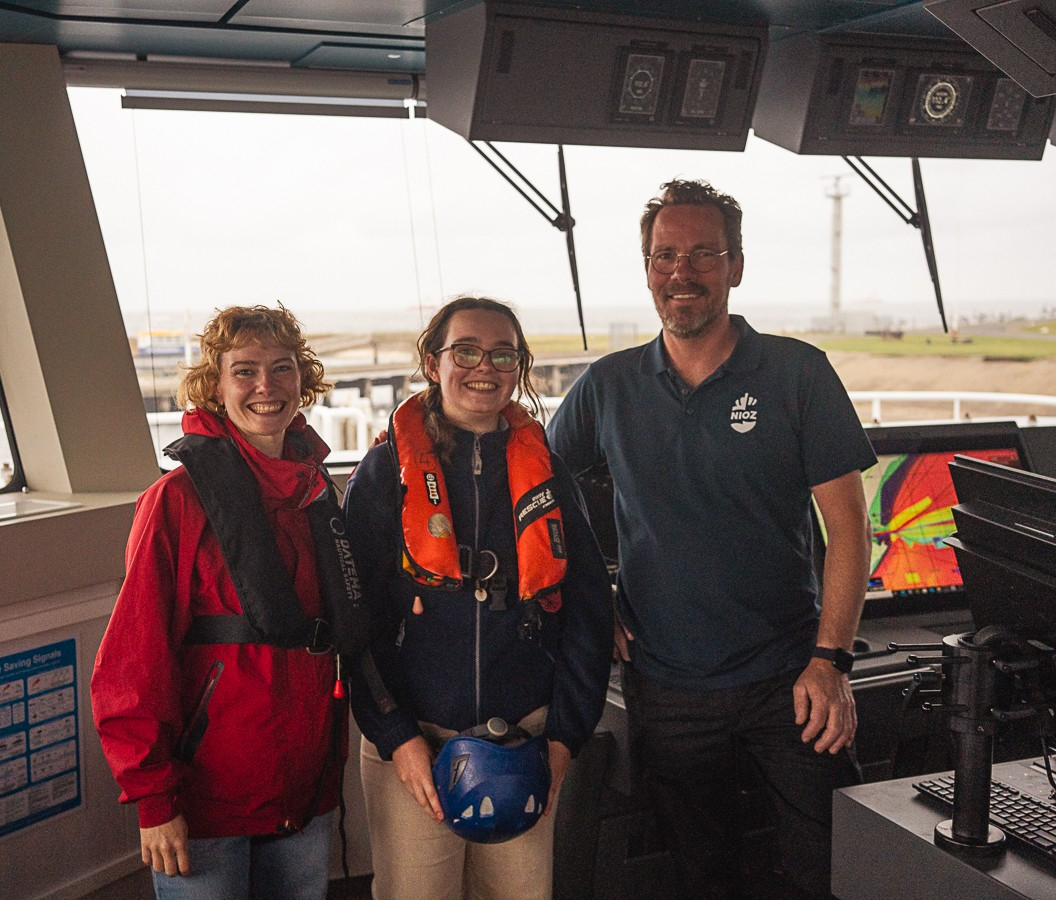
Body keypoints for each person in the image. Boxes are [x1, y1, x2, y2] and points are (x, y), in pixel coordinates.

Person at [547, 180, 876, 898]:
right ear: (646, 269)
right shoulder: (607, 386)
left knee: (830, 872)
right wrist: (593, 600)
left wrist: (832, 662)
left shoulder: (797, 374)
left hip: (793, 680)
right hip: (667, 688)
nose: (681, 272)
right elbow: (534, 500)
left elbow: (852, 529)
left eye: (703, 254)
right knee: (700, 876)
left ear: (737, 266)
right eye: (664, 255)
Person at [344, 296, 614, 900]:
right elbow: (355, 624)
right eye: (465, 350)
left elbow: (589, 618)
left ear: (520, 367)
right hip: (414, 747)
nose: (483, 366)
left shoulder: (550, 477)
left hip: (528, 742)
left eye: (502, 354)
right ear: (433, 361)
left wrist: (565, 738)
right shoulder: (384, 476)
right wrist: (396, 739)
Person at [91, 304, 353, 900]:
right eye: (245, 370)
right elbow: (131, 661)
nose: (267, 386)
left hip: (303, 796)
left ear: (303, 381)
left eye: (283, 368)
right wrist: (154, 801)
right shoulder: (176, 502)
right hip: (205, 806)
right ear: (215, 386)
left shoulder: (316, 493)